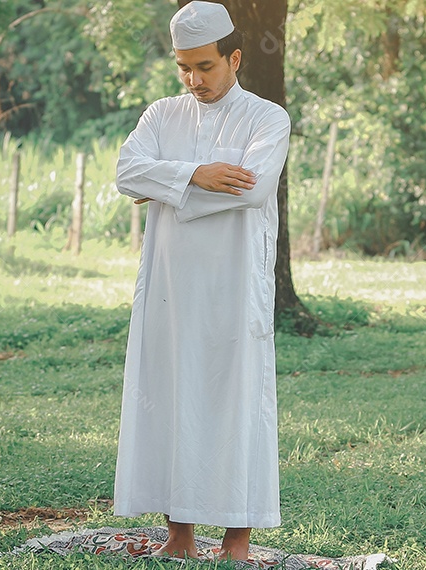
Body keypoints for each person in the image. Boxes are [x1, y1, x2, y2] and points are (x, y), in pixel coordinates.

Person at [111, 1, 291, 560]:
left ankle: (236, 541)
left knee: (234, 399)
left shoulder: (268, 118)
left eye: (205, 67)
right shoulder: (162, 114)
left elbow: (255, 188)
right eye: (184, 68)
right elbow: (125, 172)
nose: (194, 80)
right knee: (169, 398)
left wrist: (164, 187)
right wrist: (195, 173)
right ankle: (179, 536)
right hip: (170, 287)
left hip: (236, 289)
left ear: (234, 59)